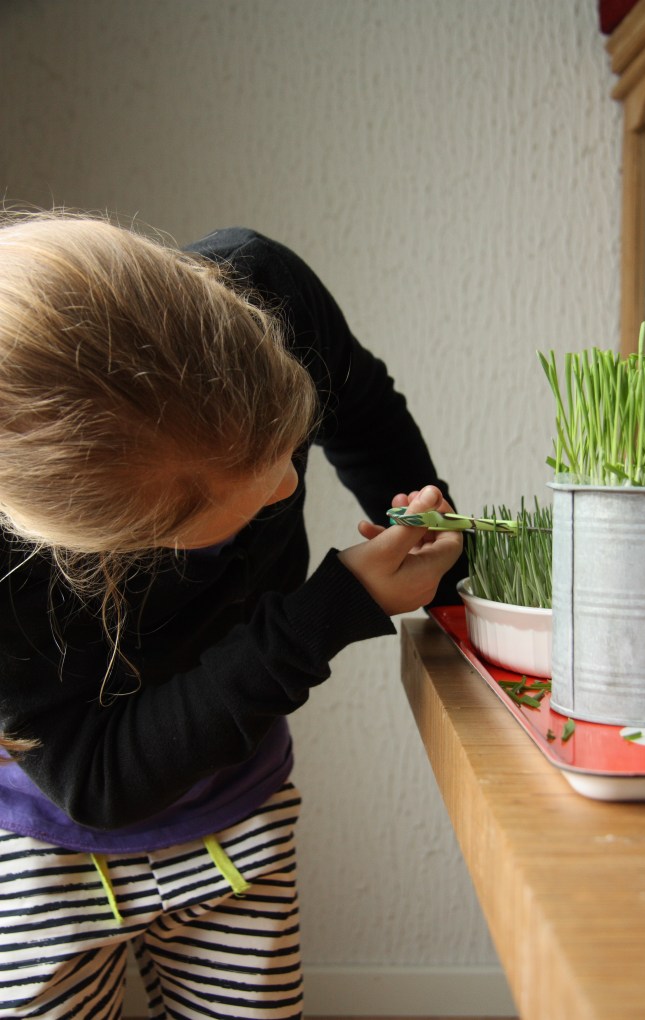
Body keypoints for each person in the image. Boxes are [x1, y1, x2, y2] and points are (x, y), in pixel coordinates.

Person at [0, 212, 467, 1020]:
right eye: (243, 495)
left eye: (287, 442)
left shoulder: (265, 285)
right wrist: (338, 606)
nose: (289, 487)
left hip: (239, 803)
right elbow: (96, 780)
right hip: (41, 855)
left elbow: (363, 411)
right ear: (110, 543)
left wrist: (446, 561)